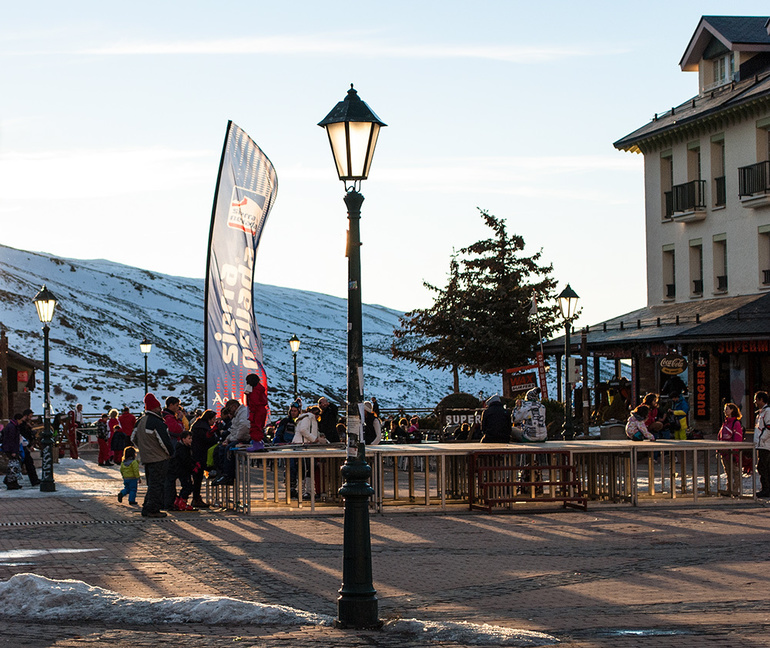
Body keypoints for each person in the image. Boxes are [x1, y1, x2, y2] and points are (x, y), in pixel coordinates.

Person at [131, 393, 174, 518]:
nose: (161, 410)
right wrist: (170, 453)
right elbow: (164, 441)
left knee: (152, 484)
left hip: (147, 457)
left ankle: (147, 507)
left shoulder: (140, 421)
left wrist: (143, 448)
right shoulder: (157, 422)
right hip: (159, 458)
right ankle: (152, 509)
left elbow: (133, 438)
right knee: (157, 485)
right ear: (155, 408)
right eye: (159, 407)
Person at [212, 399, 250, 486]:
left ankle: (229, 475)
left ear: (234, 407)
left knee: (229, 449)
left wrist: (232, 439)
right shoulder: (238, 415)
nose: (228, 413)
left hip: (245, 438)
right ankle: (222, 473)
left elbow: (244, 428)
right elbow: (234, 430)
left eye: (229, 409)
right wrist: (228, 439)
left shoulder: (243, 413)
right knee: (219, 448)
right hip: (239, 438)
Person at [190, 409, 216, 508]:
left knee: (197, 478)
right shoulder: (203, 428)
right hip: (200, 456)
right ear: (209, 419)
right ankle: (196, 499)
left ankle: (196, 498)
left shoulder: (198, 425)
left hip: (196, 454)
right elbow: (208, 440)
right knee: (197, 478)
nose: (214, 422)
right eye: (213, 419)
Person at [718, 403, 744, 496]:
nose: (725, 411)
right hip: (724, 452)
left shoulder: (735, 423)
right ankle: (729, 490)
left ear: (732, 410)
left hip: (732, 452)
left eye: (727, 409)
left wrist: (735, 451)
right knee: (728, 472)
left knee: (735, 472)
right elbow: (720, 436)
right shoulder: (725, 423)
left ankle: (736, 490)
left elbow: (737, 438)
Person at [170, 431, 198, 511]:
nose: (191, 440)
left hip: (183, 470)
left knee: (186, 486)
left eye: (191, 438)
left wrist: (194, 463)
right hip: (183, 470)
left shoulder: (185, 447)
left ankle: (178, 501)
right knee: (188, 486)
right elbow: (185, 460)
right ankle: (182, 502)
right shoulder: (182, 448)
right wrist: (193, 467)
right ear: (183, 439)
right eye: (189, 438)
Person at [244, 373, 269, 451]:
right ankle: (259, 443)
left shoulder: (254, 390)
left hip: (256, 411)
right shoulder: (259, 389)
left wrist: (251, 413)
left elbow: (253, 402)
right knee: (259, 427)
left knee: (255, 427)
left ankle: (257, 444)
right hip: (261, 411)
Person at [753, 391, 770, 498]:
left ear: (761, 400)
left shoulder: (767, 412)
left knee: (763, 467)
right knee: (764, 467)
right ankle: (766, 488)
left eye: (756, 399)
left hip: (766, 445)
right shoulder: (761, 412)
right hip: (761, 444)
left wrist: (762, 439)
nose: (755, 402)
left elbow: (769, 428)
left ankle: (766, 489)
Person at [2, 413, 24, 490]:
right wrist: (13, 451)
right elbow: (11, 440)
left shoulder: (12, 426)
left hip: (10, 448)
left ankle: (12, 482)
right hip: (11, 449)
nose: (21, 422)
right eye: (21, 420)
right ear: (18, 420)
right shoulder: (12, 427)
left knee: (14, 465)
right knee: (14, 466)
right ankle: (11, 482)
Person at [18, 409, 40, 486]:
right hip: (23, 446)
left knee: (26, 463)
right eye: (30, 416)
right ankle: (34, 480)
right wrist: (29, 445)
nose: (31, 418)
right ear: (26, 416)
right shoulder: (22, 425)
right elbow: (24, 436)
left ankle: (34, 480)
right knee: (28, 463)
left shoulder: (25, 424)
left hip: (24, 445)